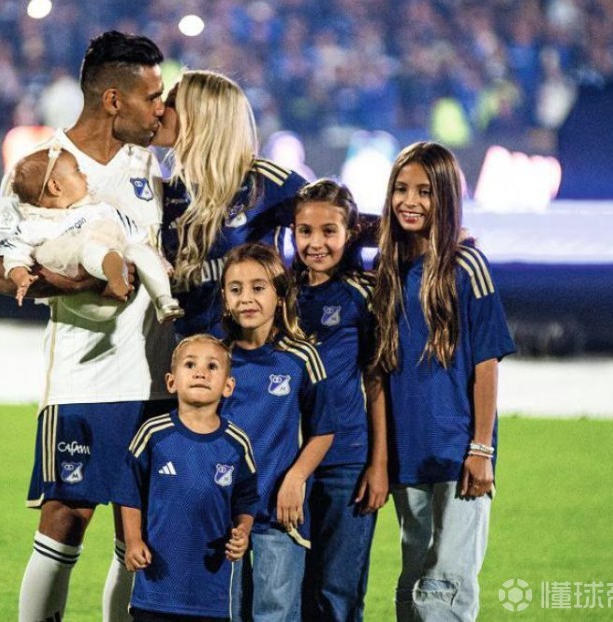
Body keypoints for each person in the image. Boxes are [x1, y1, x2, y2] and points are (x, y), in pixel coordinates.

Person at [0, 31, 174, 622]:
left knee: (142, 531)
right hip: (83, 378)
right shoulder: (41, 168)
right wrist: (77, 284)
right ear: (113, 99)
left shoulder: (154, 166)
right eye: (151, 96)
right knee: (66, 516)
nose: (160, 108)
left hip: (158, 377)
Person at [369, 142, 516, 621]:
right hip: (408, 453)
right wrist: (382, 458)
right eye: (401, 189)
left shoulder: (467, 265)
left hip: (458, 454)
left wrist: (481, 448)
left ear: (447, 197)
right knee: (414, 581)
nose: (409, 201)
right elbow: (379, 369)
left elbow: (486, 362)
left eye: (425, 191)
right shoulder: (386, 270)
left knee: (445, 585)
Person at [218, 242, 335, 622]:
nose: (246, 298)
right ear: (225, 299)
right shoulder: (215, 358)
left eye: (258, 288)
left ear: (280, 295)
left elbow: (324, 430)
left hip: (277, 510)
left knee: (276, 614)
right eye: (236, 289)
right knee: (223, 614)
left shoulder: (300, 357)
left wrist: (296, 478)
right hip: (222, 516)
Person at [291, 179, 388, 621]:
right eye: (305, 231)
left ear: (350, 234)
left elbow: (376, 379)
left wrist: (378, 463)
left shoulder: (362, 293)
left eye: (329, 231)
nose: (316, 243)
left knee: (337, 593)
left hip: (346, 460)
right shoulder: (279, 292)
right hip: (287, 461)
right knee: (288, 590)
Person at [153, 69, 309, 338]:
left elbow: (338, 222)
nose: (159, 110)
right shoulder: (163, 192)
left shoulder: (266, 183)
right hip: (187, 353)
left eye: (171, 103)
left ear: (200, 115)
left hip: (255, 352)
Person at [115, 334, 260, 621]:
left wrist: (243, 532)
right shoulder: (153, 434)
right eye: (190, 364)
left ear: (228, 386)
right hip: (156, 590)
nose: (200, 372)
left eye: (212, 366)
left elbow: (246, 499)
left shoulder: (236, 443)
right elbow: (128, 491)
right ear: (171, 382)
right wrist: (132, 540)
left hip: (211, 597)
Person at [5, 144, 183, 323]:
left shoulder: (97, 207)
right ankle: (113, 272)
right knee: (89, 248)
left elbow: (134, 233)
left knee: (140, 250)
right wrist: (20, 276)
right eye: (77, 171)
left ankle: (163, 301)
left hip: (122, 286)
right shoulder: (34, 225)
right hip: (85, 301)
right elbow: (14, 254)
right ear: (55, 187)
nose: (85, 175)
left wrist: (156, 260)